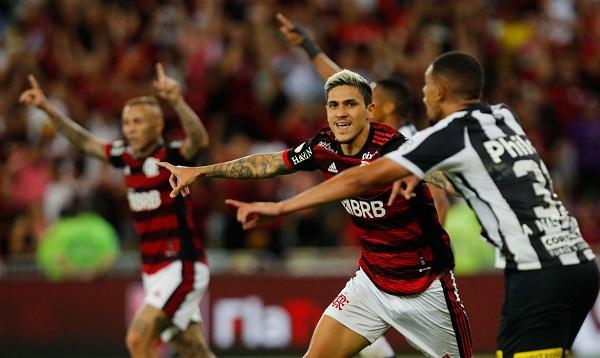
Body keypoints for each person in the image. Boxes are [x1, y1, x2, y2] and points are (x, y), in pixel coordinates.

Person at [225, 52, 599, 358]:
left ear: (438, 91)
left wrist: (280, 208)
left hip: (534, 270)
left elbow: (359, 177)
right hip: (579, 262)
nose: (421, 95)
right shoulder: (502, 117)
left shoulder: (442, 138)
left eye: (425, 87)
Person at [159, 69, 472, 357]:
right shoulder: (323, 147)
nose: (341, 113)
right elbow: (269, 163)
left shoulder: (395, 149)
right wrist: (202, 171)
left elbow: (448, 178)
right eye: (333, 105)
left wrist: (480, 181)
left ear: (370, 111)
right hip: (372, 284)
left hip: (426, 285)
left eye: (350, 104)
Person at [19, 64, 215, 358]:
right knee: (194, 351)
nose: (130, 128)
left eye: (138, 122)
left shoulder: (170, 155)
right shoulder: (124, 156)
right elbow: (85, 142)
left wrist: (176, 101)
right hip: (153, 270)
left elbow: (199, 140)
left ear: (158, 126)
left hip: (181, 266)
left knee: (138, 340)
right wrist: (48, 108)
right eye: (127, 122)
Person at [276, 13, 449, 224]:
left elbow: (439, 199)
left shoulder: (408, 143)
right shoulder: (377, 133)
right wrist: (308, 45)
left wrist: (433, 249)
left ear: (388, 106)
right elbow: (337, 78)